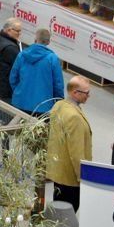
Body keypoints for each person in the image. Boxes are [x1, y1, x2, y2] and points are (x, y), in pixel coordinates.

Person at [45, 76, 92, 210]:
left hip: (58, 171)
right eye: (86, 93)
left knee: (58, 207)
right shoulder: (74, 117)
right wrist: (82, 177)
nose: (89, 96)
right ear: (75, 93)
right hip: (70, 177)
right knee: (68, 211)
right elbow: (76, 153)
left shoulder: (59, 105)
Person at [9, 28, 63, 116]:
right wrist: (59, 101)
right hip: (43, 107)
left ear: (35, 40)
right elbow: (58, 84)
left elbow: (13, 78)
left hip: (20, 103)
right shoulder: (53, 59)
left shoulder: (22, 55)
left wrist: (18, 92)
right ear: (48, 42)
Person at [0, 18, 22, 121]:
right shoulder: (10, 48)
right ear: (8, 30)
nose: (19, 34)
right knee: (7, 118)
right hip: (7, 91)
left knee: (2, 111)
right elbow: (20, 69)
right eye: (17, 31)